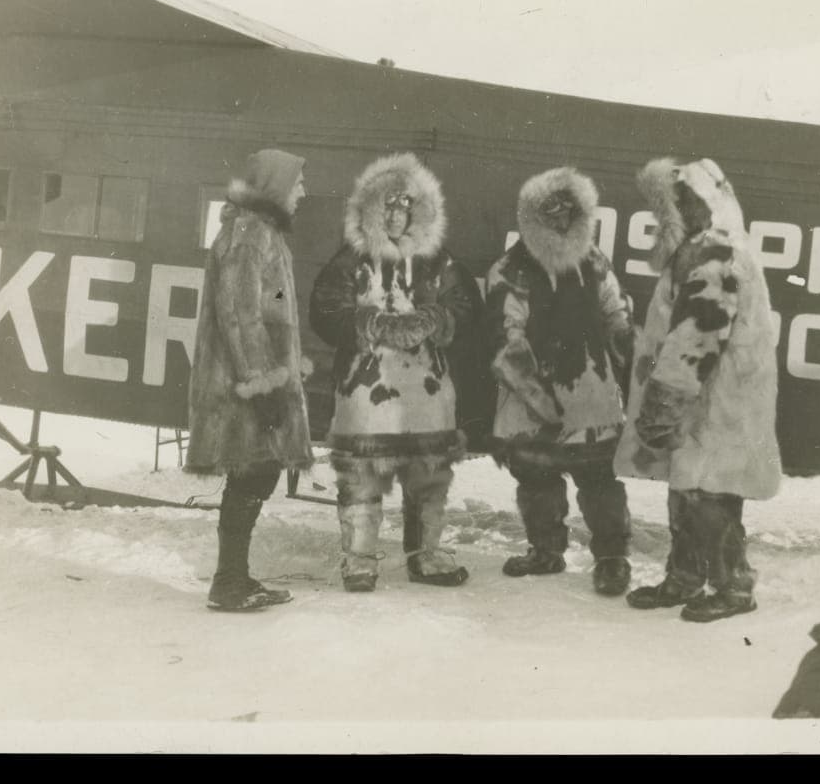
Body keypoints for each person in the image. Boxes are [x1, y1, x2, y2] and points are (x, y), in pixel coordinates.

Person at [615, 157, 782, 622]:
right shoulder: (707, 248)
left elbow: (699, 333)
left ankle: (733, 587)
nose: (662, 219)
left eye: (669, 208)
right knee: (688, 486)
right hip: (705, 399)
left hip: (715, 401)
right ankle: (685, 577)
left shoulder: (714, 252)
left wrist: (664, 401)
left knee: (711, 493)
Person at [310, 152, 482, 593]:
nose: (395, 215)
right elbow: (324, 310)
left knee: (428, 472)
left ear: (418, 211)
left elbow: (468, 308)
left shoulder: (439, 261)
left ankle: (425, 554)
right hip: (367, 387)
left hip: (426, 391)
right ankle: (359, 559)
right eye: (386, 205)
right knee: (362, 472)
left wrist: (436, 319)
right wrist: (369, 323)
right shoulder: (350, 259)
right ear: (370, 209)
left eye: (404, 206)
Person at [485, 167, 636, 597]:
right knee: (536, 476)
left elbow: (615, 311)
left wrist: (625, 339)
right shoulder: (511, 269)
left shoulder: (593, 262)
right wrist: (534, 391)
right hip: (533, 398)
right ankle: (546, 550)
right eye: (550, 212)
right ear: (532, 217)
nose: (561, 220)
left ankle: (611, 558)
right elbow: (504, 332)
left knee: (600, 479)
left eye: (569, 211)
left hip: (590, 390)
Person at [186, 149, 314, 612]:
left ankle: (233, 577)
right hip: (245, 381)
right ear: (277, 185)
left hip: (260, 376)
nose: (304, 191)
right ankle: (229, 582)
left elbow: (270, 301)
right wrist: (262, 383)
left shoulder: (265, 234)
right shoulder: (249, 234)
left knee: (257, 473)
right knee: (252, 473)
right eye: (298, 182)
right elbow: (240, 315)